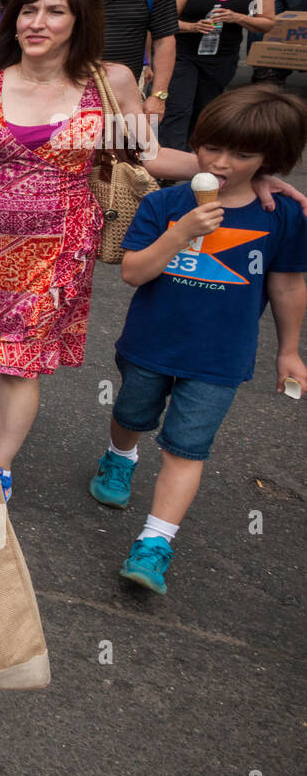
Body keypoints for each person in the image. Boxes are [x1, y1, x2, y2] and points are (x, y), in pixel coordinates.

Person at [0, 0, 304, 501]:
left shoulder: (108, 83)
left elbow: (146, 154)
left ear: (79, 21)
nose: (38, 22)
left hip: (60, 246)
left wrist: (242, 172)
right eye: (29, 10)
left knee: (19, 360)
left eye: (56, 11)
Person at [90, 85, 307, 594]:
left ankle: (155, 542)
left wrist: (290, 350)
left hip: (219, 359)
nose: (222, 162)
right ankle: (120, 458)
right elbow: (133, 273)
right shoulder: (163, 202)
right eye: (212, 147)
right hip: (149, 344)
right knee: (131, 414)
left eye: (243, 154)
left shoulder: (282, 215)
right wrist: (178, 232)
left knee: (188, 448)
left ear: (271, 160)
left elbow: (288, 283)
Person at [161, 0, 276, 150]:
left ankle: (192, 155)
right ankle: (169, 161)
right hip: (184, 54)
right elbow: (165, 19)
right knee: (178, 107)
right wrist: (192, 27)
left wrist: (238, 17)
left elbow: (268, 23)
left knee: (205, 109)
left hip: (222, 57)